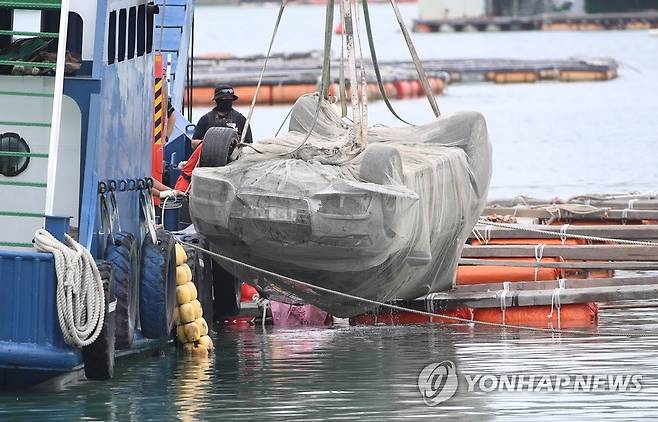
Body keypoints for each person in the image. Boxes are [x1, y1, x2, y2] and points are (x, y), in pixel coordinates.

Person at [174, 84, 252, 193]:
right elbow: (194, 142)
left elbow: (249, 144)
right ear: (217, 100)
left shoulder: (240, 119)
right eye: (224, 99)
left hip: (234, 166)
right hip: (208, 167)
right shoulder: (206, 119)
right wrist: (212, 145)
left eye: (229, 99)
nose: (227, 101)